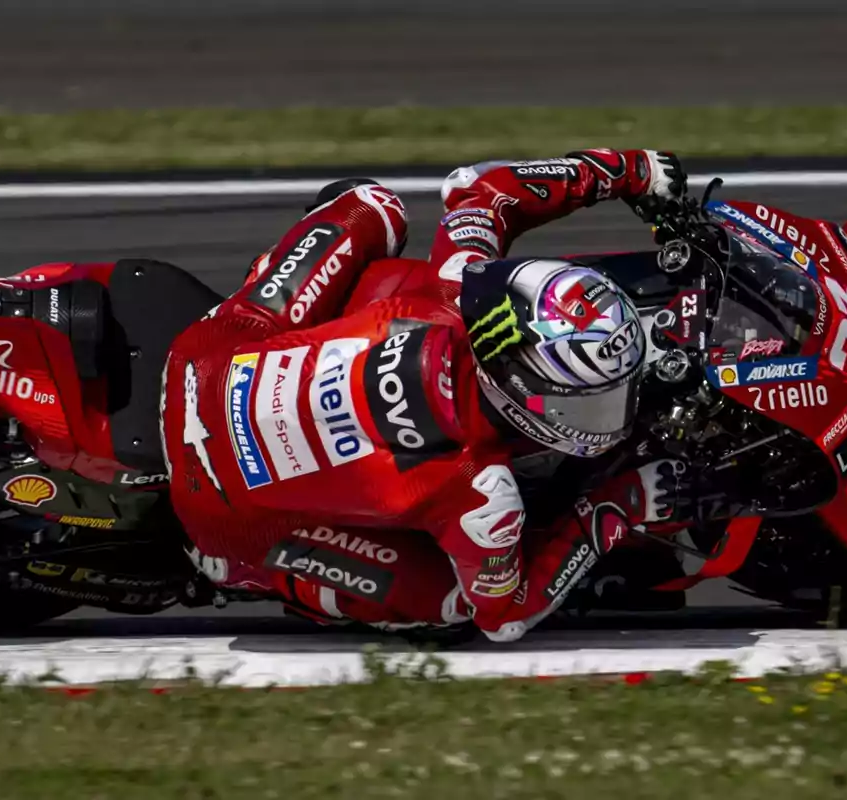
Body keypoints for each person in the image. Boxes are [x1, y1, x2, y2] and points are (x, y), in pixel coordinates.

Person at [160, 148, 693, 642]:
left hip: (206, 357)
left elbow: (481, 189)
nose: (607, 412)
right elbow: (504, 616)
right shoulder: (481, 493)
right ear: (523, 392)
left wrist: (626, 170)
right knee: (452, 605)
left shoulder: (456, 286)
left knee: (372, 206)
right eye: (589, 400)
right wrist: (620, 505)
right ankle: (251, 571)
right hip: (219, 508)